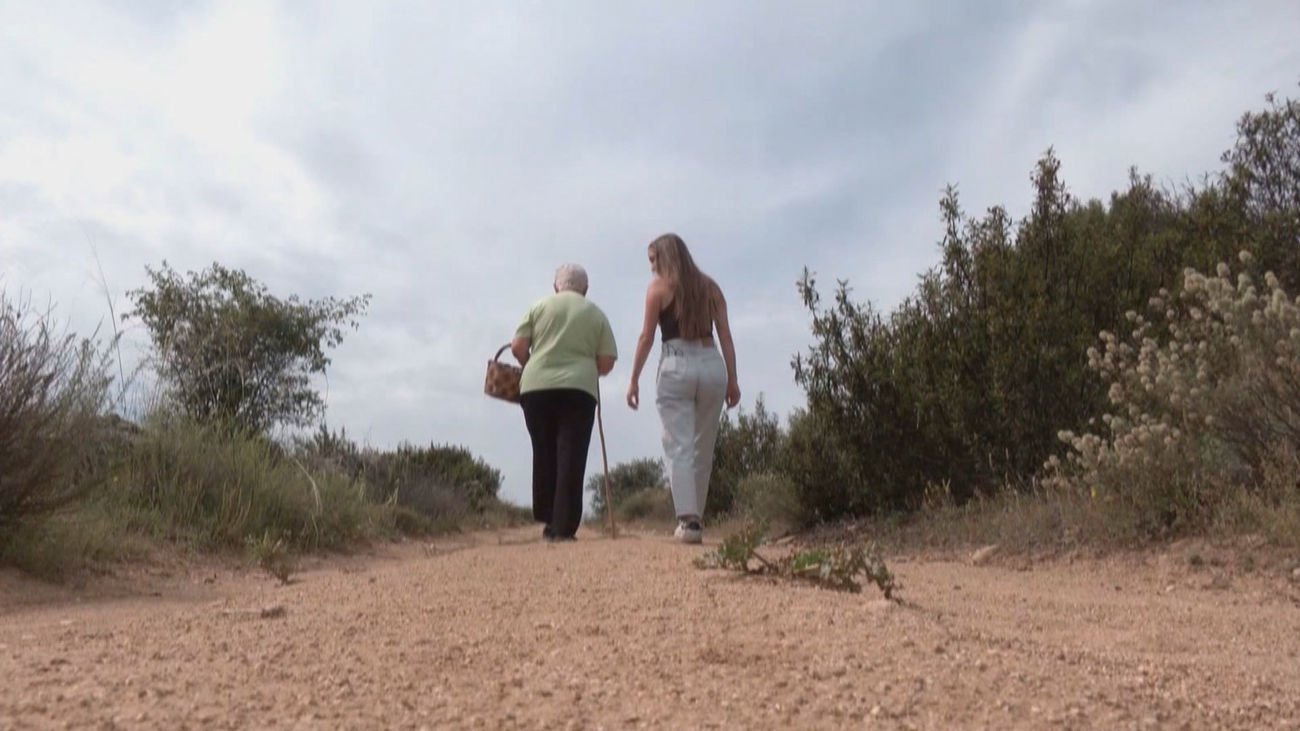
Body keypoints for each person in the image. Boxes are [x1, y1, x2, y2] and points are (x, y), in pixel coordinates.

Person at [626, 233, 740, 544]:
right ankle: (696, 519)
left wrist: (634, 378)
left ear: (665, 257)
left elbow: (646, 337)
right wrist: (733, 378)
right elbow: (726, 336)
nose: (651, 268)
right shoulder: (710, 287)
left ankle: (689, 521)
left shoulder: (658, 289)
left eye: (653, 260)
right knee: (704, 445)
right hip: (712, 362)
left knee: (678, 444)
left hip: (676, 363)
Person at [511, 264, 618, 542]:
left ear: (555, 286)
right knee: (571, 454)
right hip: (578, 389)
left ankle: (548, 518)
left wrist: (533, 362)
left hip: (536, 387)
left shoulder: (538, 307)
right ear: (585, 288)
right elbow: (607, 362)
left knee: (543, 451)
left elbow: (518, 346)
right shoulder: (595, 313)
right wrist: (586, 367)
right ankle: (564, 526)